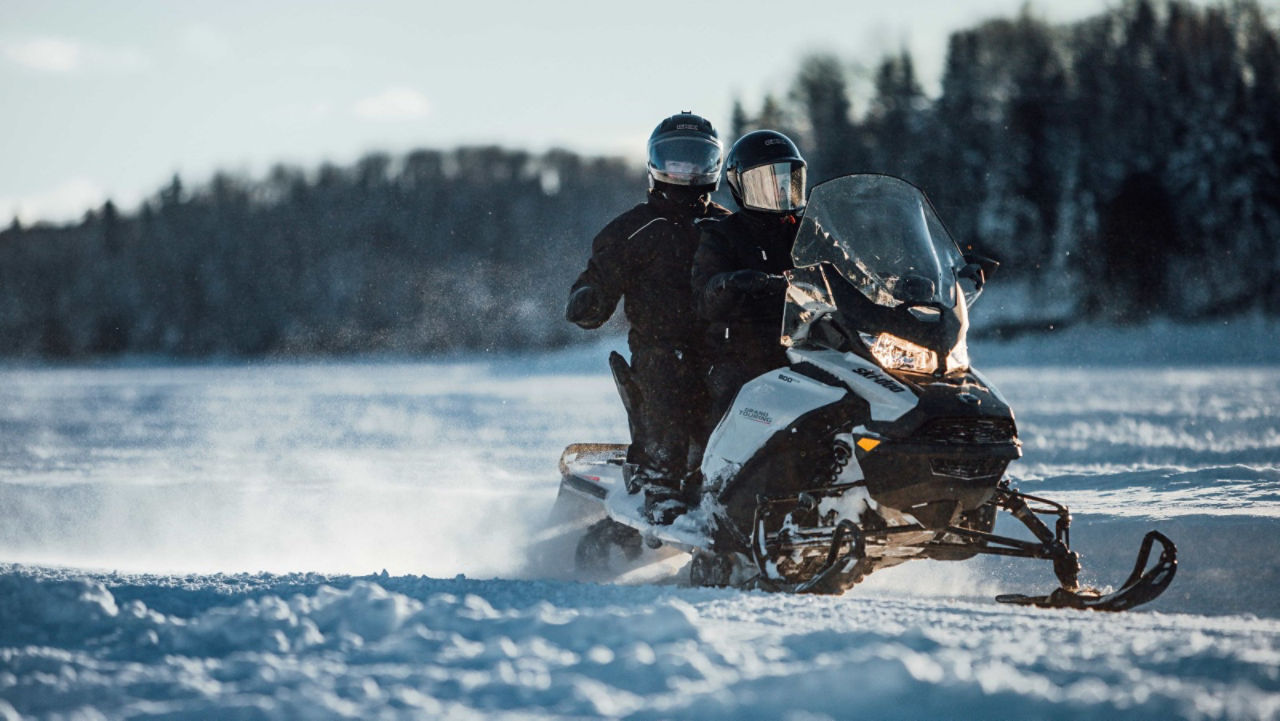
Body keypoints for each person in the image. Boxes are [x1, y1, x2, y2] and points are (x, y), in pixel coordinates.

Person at [565, 112, 731, 524]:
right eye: (675, 159)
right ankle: (660, 482)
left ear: (712, 164)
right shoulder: (634, 229)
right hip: (664, 348)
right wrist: (589, 297)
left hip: (725, 347)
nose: (684, 169)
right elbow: (598, 275)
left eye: (694, 159)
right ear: (656, 163)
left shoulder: (730, 228)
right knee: (668, 369)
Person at [691, 130, 808, 423]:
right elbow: (705, 296)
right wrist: (731, 283)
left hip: (809, 343)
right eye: (764, 182)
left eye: (785, 180)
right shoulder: (722, 234)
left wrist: (886, 281)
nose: (778, 191)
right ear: (741, 186)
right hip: (743, 348)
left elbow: (845, 265)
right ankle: (725, 465)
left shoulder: (810, 231)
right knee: (741, 395)